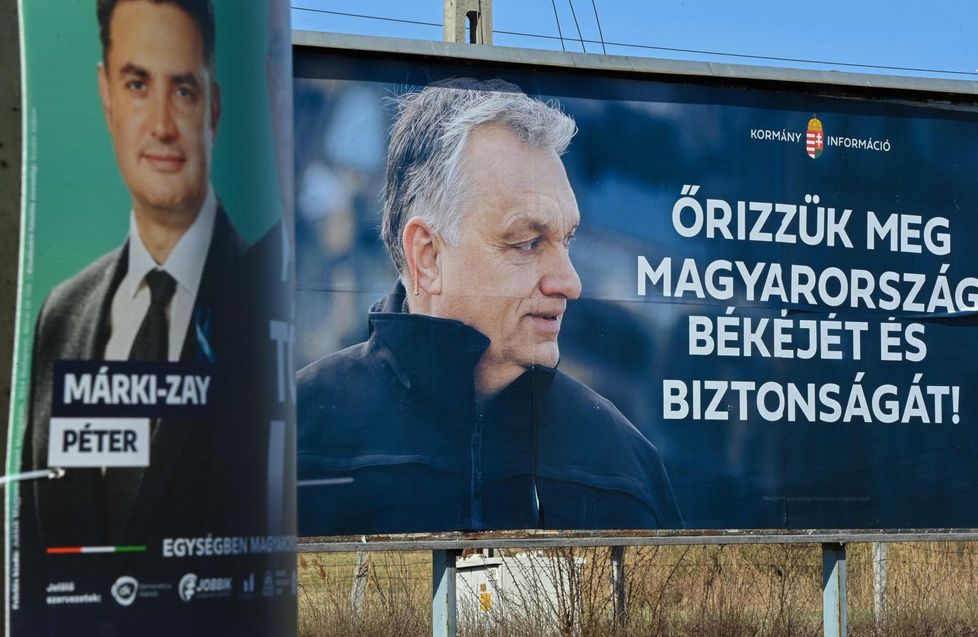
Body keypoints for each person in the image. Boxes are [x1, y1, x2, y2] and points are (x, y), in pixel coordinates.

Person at [298, 78, 682, 535]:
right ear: (428, 256)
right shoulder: (294, 433)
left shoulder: (625, 461)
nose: (570, 283)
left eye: (567, 241)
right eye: (526, 242)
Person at [19, 0, 250, 562]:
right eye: (137, 84)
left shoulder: (263, 296)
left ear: (213, 107)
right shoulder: (62, 313)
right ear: (107, 97)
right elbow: (34, 536)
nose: (164, 126)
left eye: (184, 90)